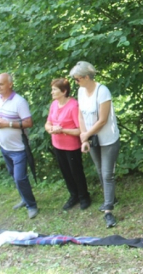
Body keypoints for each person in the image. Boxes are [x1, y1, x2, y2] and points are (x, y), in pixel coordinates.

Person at [70, 61, 120, 228]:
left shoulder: (102, 91)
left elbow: (103, 120)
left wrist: (86, 135)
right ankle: (111, 197)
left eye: (77, 79)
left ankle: (108, 210)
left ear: (86, 77)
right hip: (92, 138)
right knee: (100, 170)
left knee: (107, 174)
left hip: (108, 138)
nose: (75, 82)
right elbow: (81, 115)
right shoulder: (81, 92)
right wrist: (84, 138)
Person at [0, 73, 38, 219]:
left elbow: (29, 123)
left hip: (19, 148)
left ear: (10, 84)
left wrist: (7, 124)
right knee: (14, 175)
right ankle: (24, 199)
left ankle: (32, 205)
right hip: (4, 147)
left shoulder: (19, 102)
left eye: (1, 84)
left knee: (20, 177)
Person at [45, 78, 91, 211]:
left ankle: (84, 196)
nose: (52, 92)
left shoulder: (73, 106)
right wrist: (51, 129)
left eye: (54, 90)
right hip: (57, 145)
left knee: (76, 172)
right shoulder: (54, 104)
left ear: (64, 91)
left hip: (71, 146)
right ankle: (73, 195)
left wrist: (62, 130)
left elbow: (80, 130)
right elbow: (48, 123)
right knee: (65, 172)